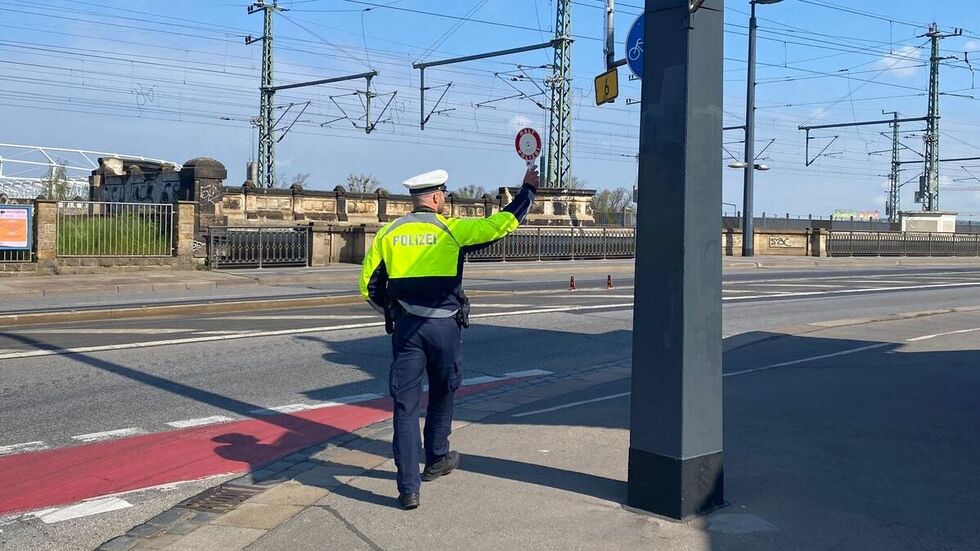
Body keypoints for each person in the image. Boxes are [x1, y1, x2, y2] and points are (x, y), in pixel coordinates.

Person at [359, 166, 540, 510]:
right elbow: (500, 224)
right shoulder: (451, 229)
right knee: (443, 390)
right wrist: (527, 191)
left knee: (405, 405)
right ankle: (437, 458)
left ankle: (408, 488)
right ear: (438, 197)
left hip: (408, 330)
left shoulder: (389, 233)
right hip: (444, 328)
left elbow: (367, 285)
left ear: (414, 200)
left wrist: (394, 311)